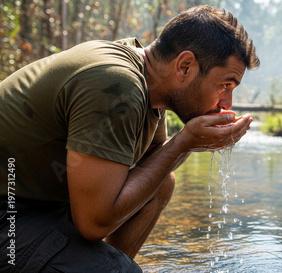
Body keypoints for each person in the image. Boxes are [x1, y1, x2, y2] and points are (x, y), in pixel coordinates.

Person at [0, 5, 259, 272]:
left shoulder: (148, 83)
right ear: (185, 66)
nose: (226, 103)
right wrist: (185, 142)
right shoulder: (118, 85)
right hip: (8, 210)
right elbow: (93, 224)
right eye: (225, 85)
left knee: (160, 185)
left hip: (37, 203)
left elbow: (156, 160)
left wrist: (189, 143)